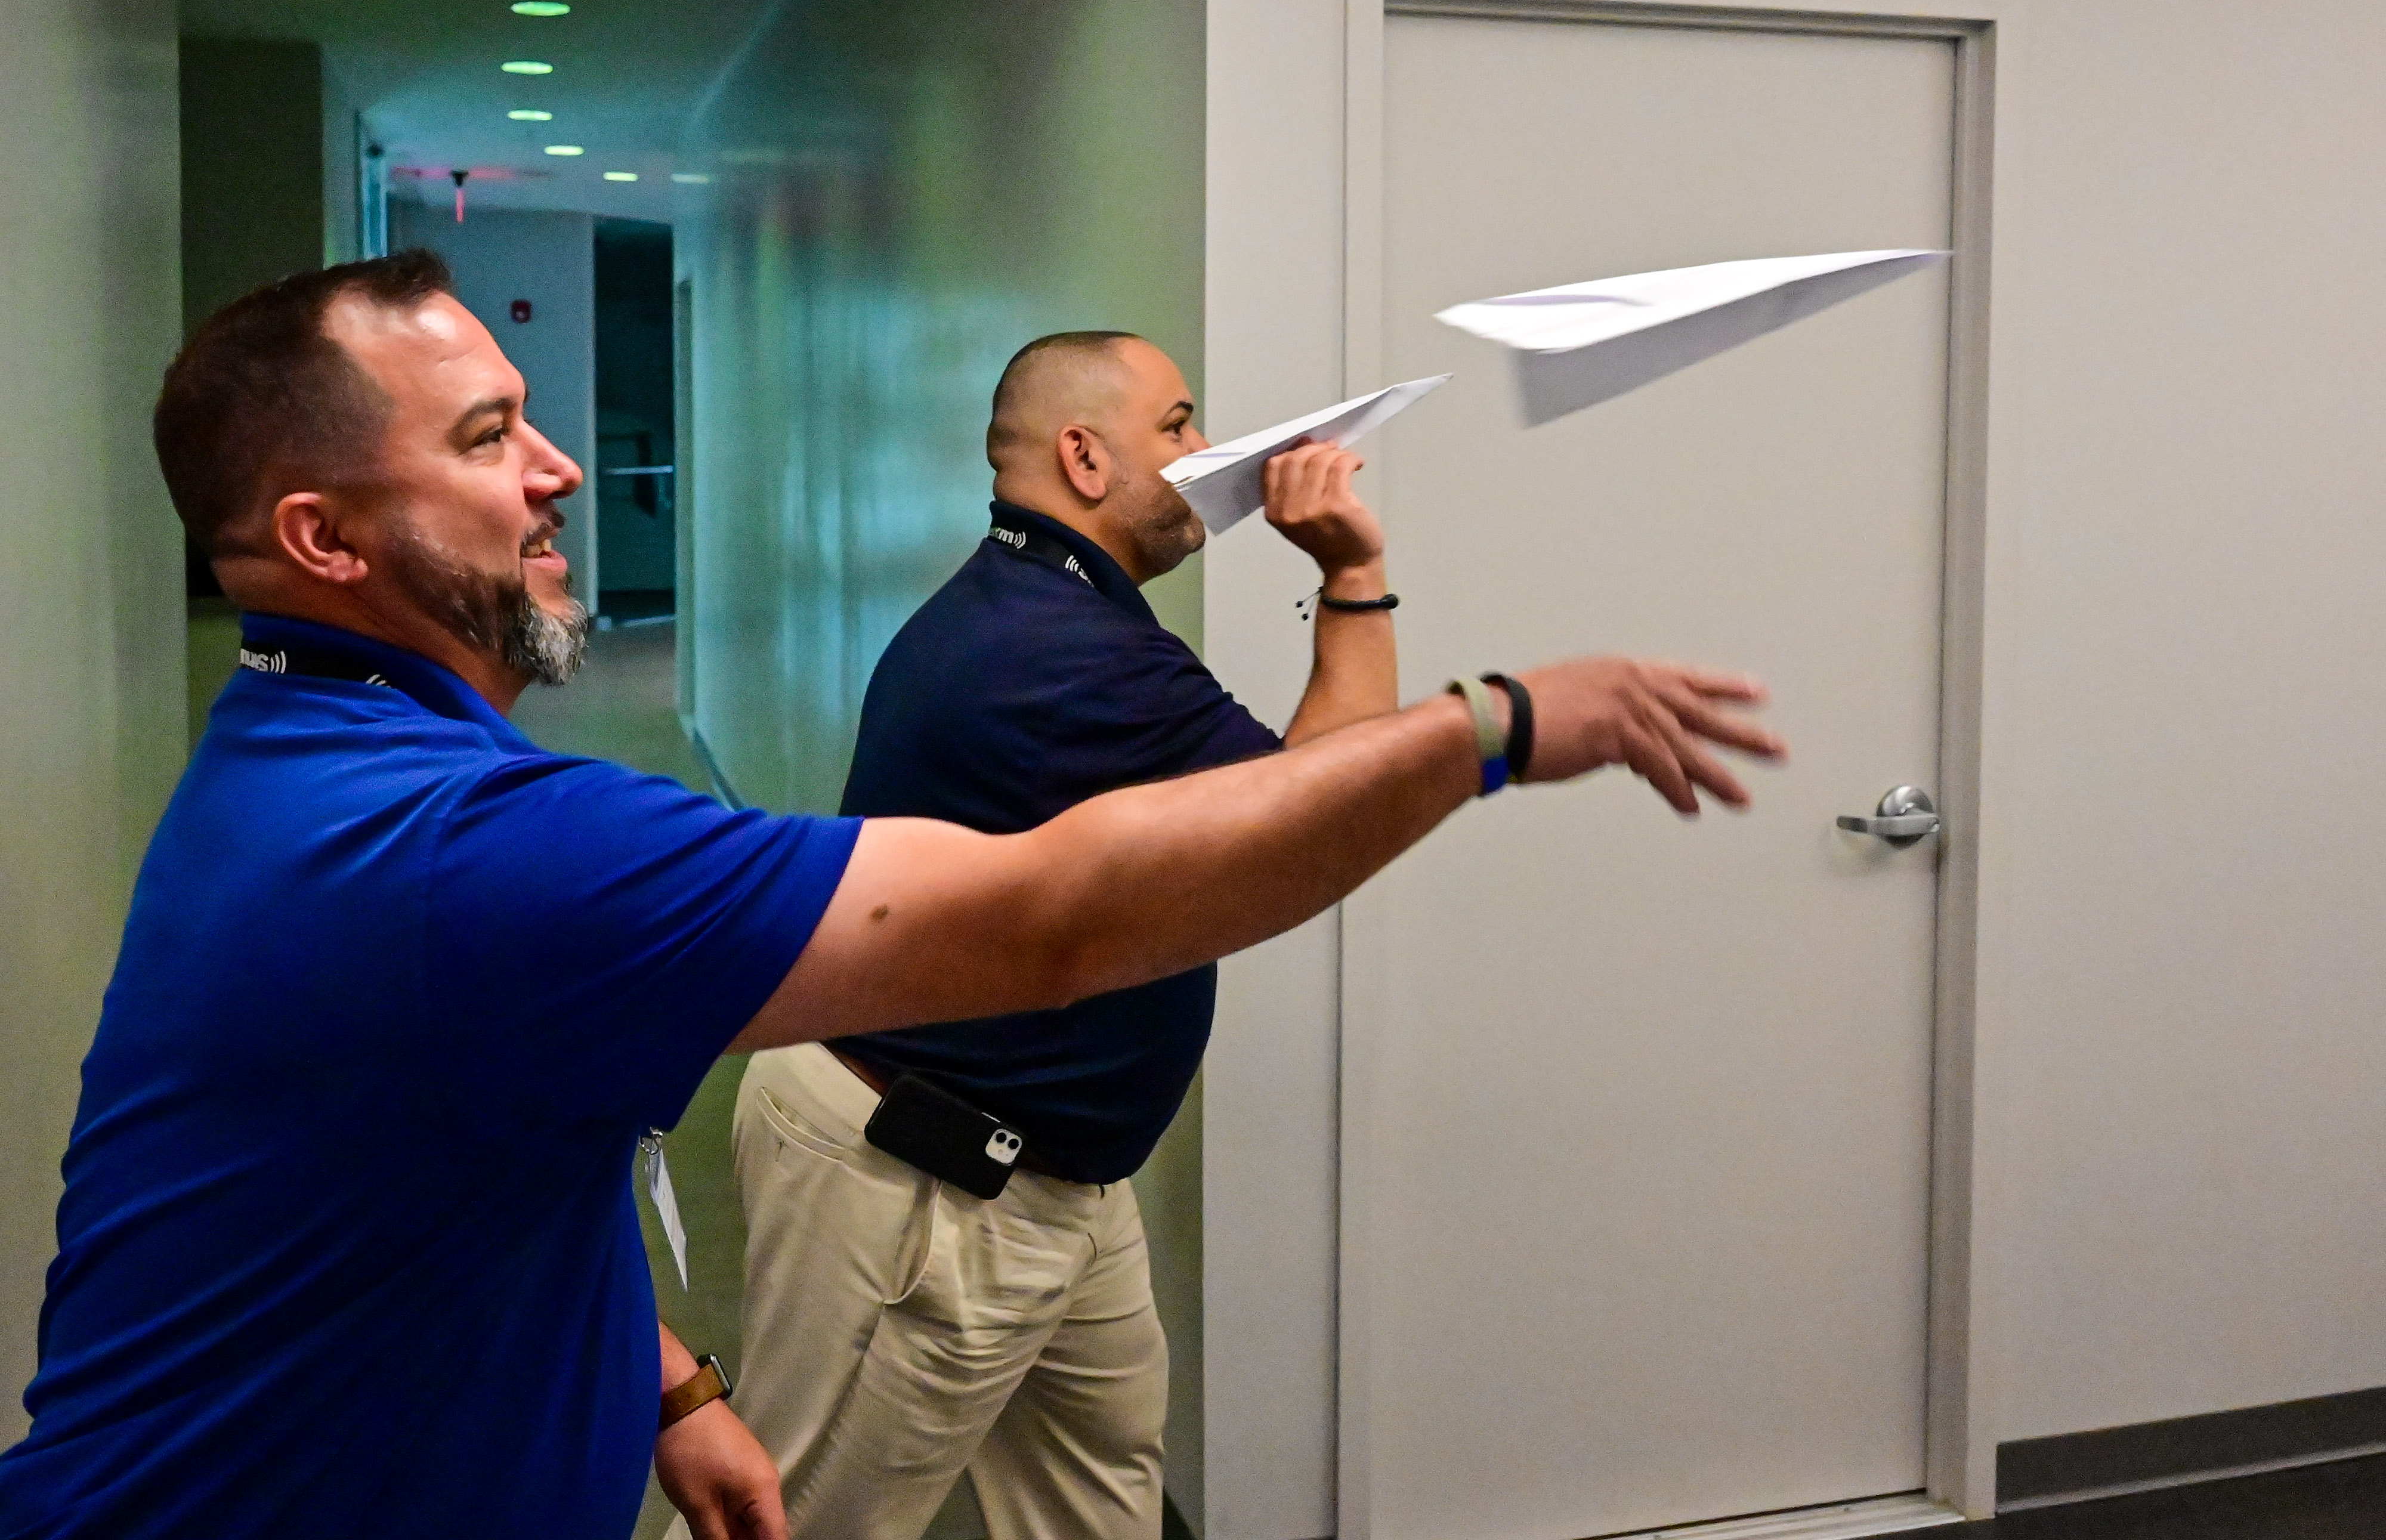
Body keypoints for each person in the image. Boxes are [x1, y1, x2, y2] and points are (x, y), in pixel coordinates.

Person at [0, 252, 1784, 1540]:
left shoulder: (311, 756)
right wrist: (1499, 724)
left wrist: (665, 1380)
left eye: (531, 422)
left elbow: (465, 1152)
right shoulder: (466, 854)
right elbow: (1060, 917)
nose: (555, 471)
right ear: (322, 542)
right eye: (486, 439)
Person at [706, 330, 1400, 1540]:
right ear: (1085, 458)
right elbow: (1325, 820)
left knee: (1098, 1505)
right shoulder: (1062, 652)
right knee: (802, 1519)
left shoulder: (1026, 604)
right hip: (927, 1189)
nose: (1209, 454)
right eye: (1179, 424)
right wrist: (1350, 573)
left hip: (1053, 1180)